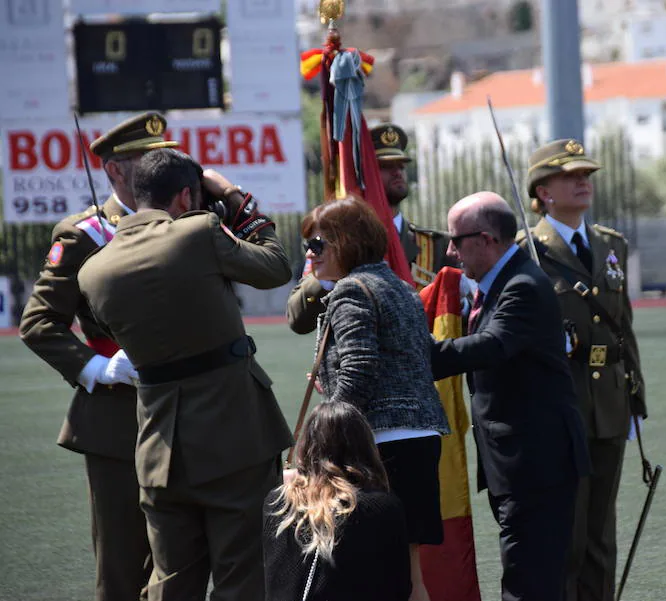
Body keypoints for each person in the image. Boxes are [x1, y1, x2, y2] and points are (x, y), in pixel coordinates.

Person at [77, 148, 295, 600]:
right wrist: (232, 196)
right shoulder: (199, 232)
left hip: (159, 451)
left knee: (171, 584)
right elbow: (275, 266)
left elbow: (102, 326)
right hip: (234, 439)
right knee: (244, 577)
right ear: (184, 197)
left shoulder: (93, 271)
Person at [18, 111, 179, 601]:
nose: (161, 168)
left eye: (165, 157)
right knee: (122, 563)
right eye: (147, 161)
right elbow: (38, 323)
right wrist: (98, 367)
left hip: (186, 408)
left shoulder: (184, 225)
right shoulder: (84, 235)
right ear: (114, 172)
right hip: (117, 416)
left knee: (178, 562)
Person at [430, 192, 591, 601]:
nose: (449, 251)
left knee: (528, 585)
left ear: (486, 239)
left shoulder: (521, 286)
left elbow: (491, 345)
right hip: (519, 465)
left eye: (455, 239)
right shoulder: (502, 282)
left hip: (537, 466)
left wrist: (413, 355)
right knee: (528, 578)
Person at [300, 196, 450, 601]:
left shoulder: (352, 290)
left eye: (317, 245)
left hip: (376, 448)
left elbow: (358, 372)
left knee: (370, 575)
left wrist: (319, 439)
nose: (309, 256)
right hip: (418, 440)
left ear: (345, 242)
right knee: (411, 574)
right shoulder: (400, 286)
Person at [523, 139, 647, 601]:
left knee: (601, 535)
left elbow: (624, 327)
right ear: (543, 190)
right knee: (567, 536)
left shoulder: (611, 245)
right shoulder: (528, 251)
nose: (583, 182)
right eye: (571, 176)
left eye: (587, 175)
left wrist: (636, 398)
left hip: (610, 404)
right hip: (561, 407)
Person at [287, 123, 454, 334]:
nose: (398, 172)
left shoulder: (437, 246)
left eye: (401, 166)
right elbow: (298, 320)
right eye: (385, 166)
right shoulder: (334, 246)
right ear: (363, 176)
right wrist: (329, 276)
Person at [264, 401, 412, 600]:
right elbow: (399, 587)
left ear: (306, 446)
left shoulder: (277, 502)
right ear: (366, 446)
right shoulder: (382, 507)